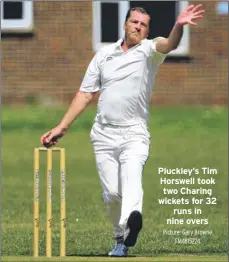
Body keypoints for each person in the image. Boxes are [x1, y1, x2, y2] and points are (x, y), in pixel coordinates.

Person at [41, 5, 205, 257]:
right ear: (125, 24)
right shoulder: (104, 54)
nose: (138, 27)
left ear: (147, 30)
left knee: (132, 179)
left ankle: (132, 220)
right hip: (103, 135)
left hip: (134, 133)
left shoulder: (149, 51)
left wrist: (179, 25)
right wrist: (61, 127)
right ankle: (121, 237)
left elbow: (170, 44)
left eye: (143, 24)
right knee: (112, 194)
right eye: (134, 22)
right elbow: (85, 93)